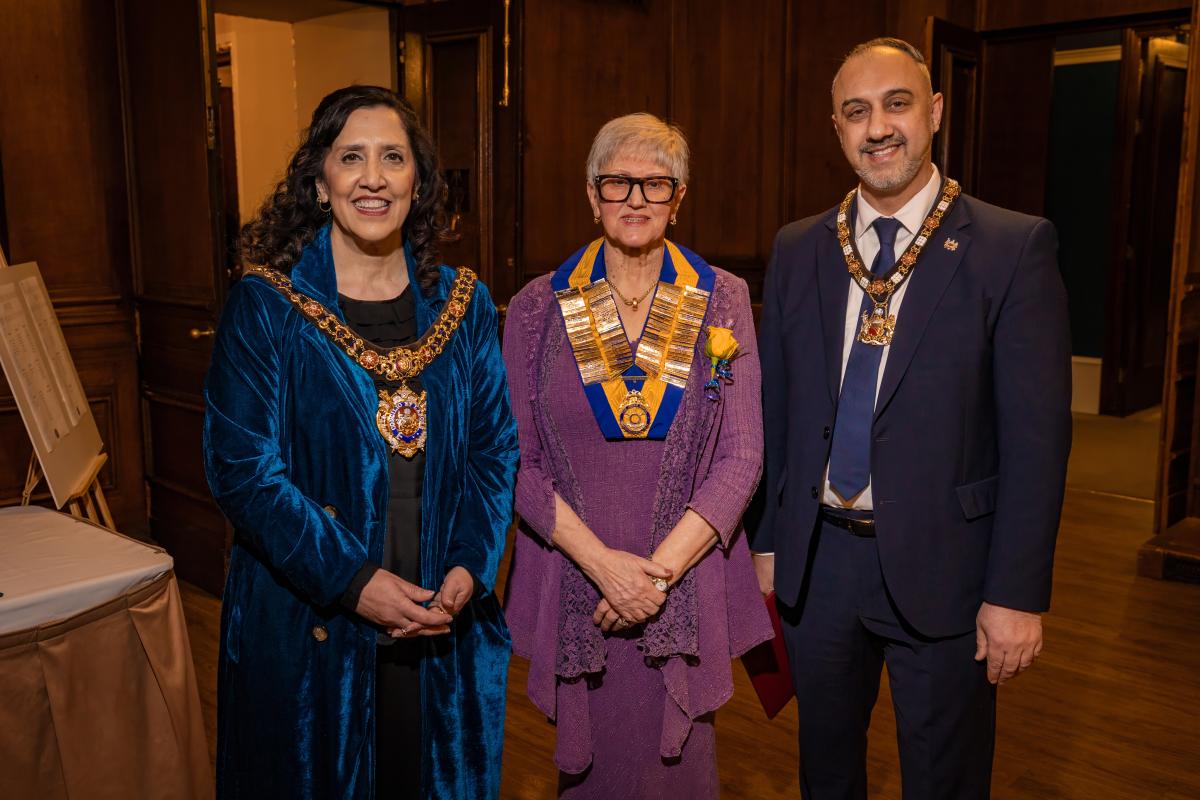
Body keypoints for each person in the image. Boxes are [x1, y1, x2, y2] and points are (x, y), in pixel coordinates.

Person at [752, 38, 1071, 799]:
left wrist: (1018, 593)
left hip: (950, 572)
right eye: (856, 112)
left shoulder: (1010, 246)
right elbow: (778, 408)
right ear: (836, 128)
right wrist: (766, 541)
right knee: (825, 775)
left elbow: (1037, 440)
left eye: (897, 104)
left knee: (945, 779)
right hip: (818, 569)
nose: (878, 127)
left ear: (932, 112)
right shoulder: (800, 248)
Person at [203, 85, 518, 800]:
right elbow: (242, 472)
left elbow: (494, 450)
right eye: (352, 158)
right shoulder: (267, 304)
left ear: (418, 181)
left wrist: (473, 562)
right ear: (320, 182)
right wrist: (355, 583)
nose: (373, 177)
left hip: (440, 613)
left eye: (393, 158)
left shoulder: (464, 305)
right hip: (311, 619)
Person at [502, 112, 772, 799]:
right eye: (617, 182)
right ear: (591, 194)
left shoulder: (722, 300)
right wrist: (604, 570)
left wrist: (653, 581)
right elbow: (514, 460)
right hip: (578, 582)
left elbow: (742, 456)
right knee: (590, 772)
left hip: (682, 581)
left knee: (680, 774)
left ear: (679, 198)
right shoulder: (537, 307)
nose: (635, 199)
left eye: (656, 184)